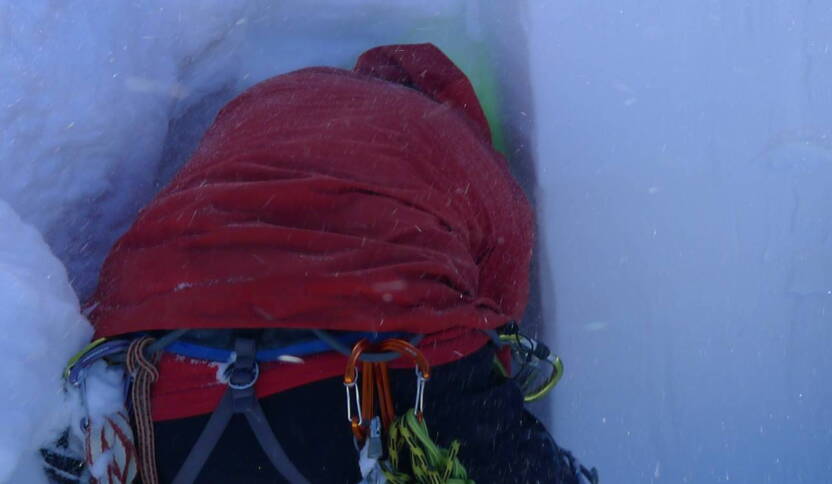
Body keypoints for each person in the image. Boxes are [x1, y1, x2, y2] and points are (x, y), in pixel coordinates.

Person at [76, 43, 593, 483]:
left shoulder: (262, 108)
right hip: (384, 382)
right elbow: (499, 304)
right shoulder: (449, 137)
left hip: (163, 386)